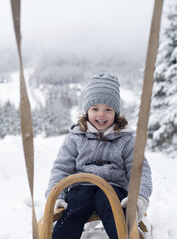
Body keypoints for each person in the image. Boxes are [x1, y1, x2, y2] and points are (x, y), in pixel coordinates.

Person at [45, 73, 153, 239]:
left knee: (112, 207)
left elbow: (139, 170)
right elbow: (61, 168)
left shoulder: (126, 139)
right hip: (81, 187)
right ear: (87, 110)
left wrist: (138, 197)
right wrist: (57, 198)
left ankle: (124, 235)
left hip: (113, 188)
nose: (101, 115)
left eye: (108, 109)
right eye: (95, 109)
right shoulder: (75, 137)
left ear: (116, 113)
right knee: (75, 207)